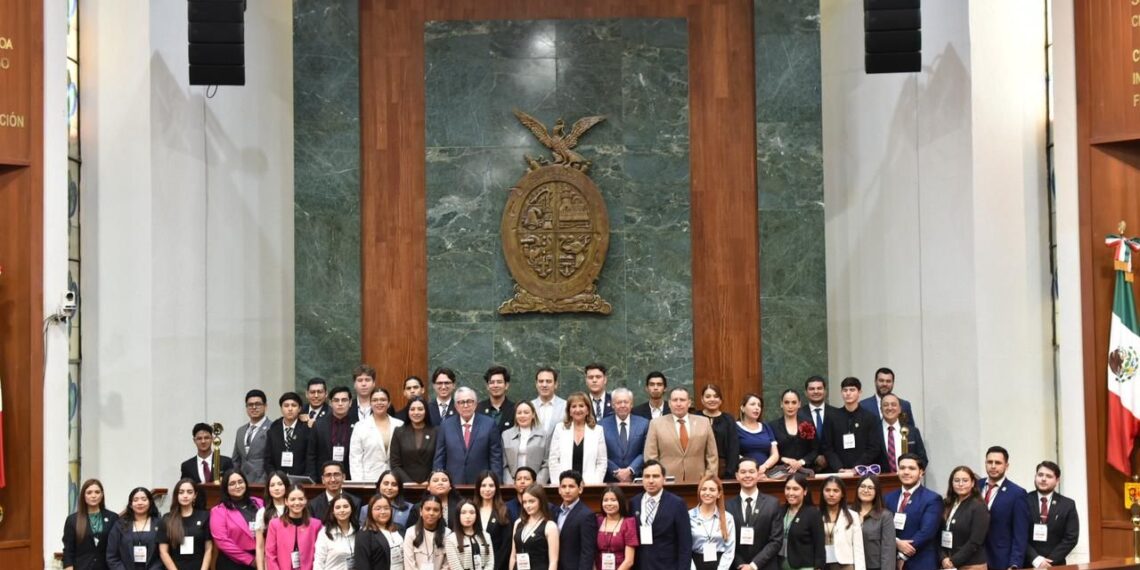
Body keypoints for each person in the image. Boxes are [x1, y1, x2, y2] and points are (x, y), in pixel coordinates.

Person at [645, 387, 719, 481]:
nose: (678, 404)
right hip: (667, 481)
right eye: (675, 400)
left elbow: (712, 455)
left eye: (682, 400)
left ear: (689, 403)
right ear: (670, 403)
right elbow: (650, 456)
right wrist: (656, 478)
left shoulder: (704, 422)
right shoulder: (656, 424)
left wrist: (709, 479)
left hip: (698, 481)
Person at [433, 387, 504, 484]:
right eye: (461, 402)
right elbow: (440, 457)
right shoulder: (446, 425)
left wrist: (497, 483)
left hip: (482, 485)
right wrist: (437, 481)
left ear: (476, 404)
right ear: (456, 406)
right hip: (453, 484)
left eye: (469, 401)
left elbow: (495, 458)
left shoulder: (489, 424)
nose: (465, 405)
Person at [630, 460, 691, 570]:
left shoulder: (677, 504)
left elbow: (685, 544)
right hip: (641, 565)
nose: (651, 481)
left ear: (664, 479)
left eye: (656, 476)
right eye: (647, 476)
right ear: (642, 479)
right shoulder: (634, 502)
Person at [885, 454, 942, 570]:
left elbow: (926, 532)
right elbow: (882, 528)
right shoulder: (888, 498)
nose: (906, 472)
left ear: (921, 472)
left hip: (921, 562)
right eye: (902, 468)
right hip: (891, 561)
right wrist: (896, 542)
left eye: (911, 468)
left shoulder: (932, 499)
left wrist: (902, 555)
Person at [979, 446, 1030, 570]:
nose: (993, 466)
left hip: (1001, 560)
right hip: (974, 559)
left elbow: (1020, 534)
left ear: (1006, 466)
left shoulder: (1017, 493)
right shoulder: (974, 486)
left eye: (998, 463)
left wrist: (1014, 563)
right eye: (990, 462)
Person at [727, 459, 782, 570]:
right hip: (737, 566)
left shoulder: (772, 504)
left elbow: (776, 541)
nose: (747, 475)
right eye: (743, 472)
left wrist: (753, 565)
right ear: (737, 476)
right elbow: (727, 541)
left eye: (751, 471)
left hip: (765, 566)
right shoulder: (727, 506)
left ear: (758, 474)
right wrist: (741, 565)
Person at [1024, 461, 1079, 568]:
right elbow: (1018, 535)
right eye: (1040, 475)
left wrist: (1049, 561)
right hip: (1028, 562)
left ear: (1057, 480)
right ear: (1035, 477)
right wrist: (1036, 559)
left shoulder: (1067, 504)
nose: (1043, 479)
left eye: (1049, 476)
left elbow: (1071, 538)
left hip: (1055, 564)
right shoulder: (1023, 501)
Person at [821, 378, 882, 473]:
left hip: (862, 472)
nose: (848, 393)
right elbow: (827, 447)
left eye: (852, 390)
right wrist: (838, 468)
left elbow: (873, 448)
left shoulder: (870, 418)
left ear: (859, 392)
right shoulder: (832, 417)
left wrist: (856, 468)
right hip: (838, 471)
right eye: (845, 390)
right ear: (841, 392)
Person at [548, 392, 608, 484]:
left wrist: (595, 483)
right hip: (565, 486)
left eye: (581, 406)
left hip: (590, 485)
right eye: (574, 406)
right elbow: (553, 460)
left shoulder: (597, 431)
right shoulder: (560, 429)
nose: (577, 409)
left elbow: (602, 462)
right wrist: (559, 484)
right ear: (569, 411)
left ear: (588, 410)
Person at [210, 470, 265, 570]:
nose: (237, 486)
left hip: (260, 558)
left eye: (240, 482)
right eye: (232, 484)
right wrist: (251, 560)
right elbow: (223, 542)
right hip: (232, 563)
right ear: (226, 488)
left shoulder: (259, 503)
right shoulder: (218, 511)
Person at [351, 387, 406, 482]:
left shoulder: (399, 424)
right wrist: (358, 483)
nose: (379, 403)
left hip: (395, 480)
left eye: (383, 400)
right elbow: (355, 459)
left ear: (389, 403)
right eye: (375, 400)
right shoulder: (360, 426)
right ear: (370, 403)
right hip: (369, 480)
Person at [62, 478, 118, 570]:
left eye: (97, 492)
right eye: (89, 492)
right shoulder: (73, 520)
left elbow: (117, 547)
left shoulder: (113, 517)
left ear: (102, 495)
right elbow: (68, 549)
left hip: (106, 567)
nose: (93, 496)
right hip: (81, 566)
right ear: (83, 496)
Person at [157, 479, 213, 570]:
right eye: (181, 492)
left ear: (195, 495)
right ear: (176, 495)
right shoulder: (167, 519)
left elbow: (209, 549)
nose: (185, 496)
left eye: (189, 492)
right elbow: (163, 552)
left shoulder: (205, 516)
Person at [939, 466, 989, 570]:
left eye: (965, 480)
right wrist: (943, 558)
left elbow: (975, 541)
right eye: (956, 480)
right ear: (952, 483)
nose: (960, 484)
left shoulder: (978, 506)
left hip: (971, 565)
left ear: (972, 483)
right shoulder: (947, 503)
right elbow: (938, 534)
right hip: (947, 563)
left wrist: (953, 561)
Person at [265, 485, 323, 570]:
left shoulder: (316, 525)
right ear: (286, 501)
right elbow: (270, 555)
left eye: (300, 499)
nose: (297, 503)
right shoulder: (274, 524)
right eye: (292, 499)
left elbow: (320, 554)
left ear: (306, 500)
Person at [600, 388, 650, 483]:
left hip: (636, 478)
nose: (622, 405)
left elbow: (646, 451)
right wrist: (616, 472)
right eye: (619, 402)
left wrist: (631, 470)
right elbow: (600, 454)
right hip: (610, 480)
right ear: (613, 405)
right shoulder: (601, 425)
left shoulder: (644, 424)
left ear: (631, 404)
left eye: (626, 402)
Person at [106, 487, 162, 570]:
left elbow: (164, 554)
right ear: (131, 505)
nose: (140, 503)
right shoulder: (120, 525)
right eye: (135, 500)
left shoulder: (160, 524)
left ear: (150, 502)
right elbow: (112, 556)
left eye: (144, 499)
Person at [181, 422, 233, 509]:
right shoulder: (187, 466)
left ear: (212, 439)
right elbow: (184, 489)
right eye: (199, 438)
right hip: (197, 510)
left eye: (206, 438)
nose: (203, 441)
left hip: (222, 508)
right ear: (194, 440)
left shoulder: (226, 462)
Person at [266, 391, 317, 479]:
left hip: (301, 480)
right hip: (278, 480)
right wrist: (274, 476)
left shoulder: (307, 428)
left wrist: (306, 479)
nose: (290, 409)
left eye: (294, 405)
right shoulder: (273, 429)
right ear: (281, 408)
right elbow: (268, 459)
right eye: (286, 406)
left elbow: (310, 458)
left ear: (300, 408)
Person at [689, 476, 736, 570]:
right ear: (699, 492)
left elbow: (730, 550)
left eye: (712, 490)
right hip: (695, 564)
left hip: (720, 565)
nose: (707, 493)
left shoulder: (727, 518)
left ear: (719, 494)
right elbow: (685, 549)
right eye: (704, 489)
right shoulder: (688, 516)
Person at [779, 473, 825, 570]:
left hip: (805, 566)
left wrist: (819, 567)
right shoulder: (780, 510)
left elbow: (819, 544)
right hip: (781, 564)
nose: (790, 493)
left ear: (805, 491)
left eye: (795, 489)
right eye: (787, 488)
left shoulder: (813, 513)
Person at [555, 470, 599, 570]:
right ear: (559, 490)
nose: (567, 490)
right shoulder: (555, 512)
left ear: (580, 489)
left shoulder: (587, 515)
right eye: (563, 486)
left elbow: (587, 552)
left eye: (571, 486)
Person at [769, 389, 820, 475]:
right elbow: (769, 451)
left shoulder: (808, 423)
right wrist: (784, 459)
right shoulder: (772, 426)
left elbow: (815, 449)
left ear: (799, 404)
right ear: (781, 404)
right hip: (780, 473)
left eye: (794, 402)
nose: (790, 406)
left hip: (805, 472)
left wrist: (801, 462)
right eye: (786, 402)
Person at [509, 484, 559, 570]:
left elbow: (553, 561)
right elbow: (513, 555)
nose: (527, 505)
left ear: (541, 501)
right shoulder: (518, 523)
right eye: (524, 502)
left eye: (531, 501)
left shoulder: (550, 526)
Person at [311, 386, 357, 480]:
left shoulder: (358, 425)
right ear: (330, 403)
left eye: (344, 400)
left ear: (350, 403)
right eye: (336, 400)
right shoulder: (318, 425)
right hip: (324, 479)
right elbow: (311, 455)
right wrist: (313, 479)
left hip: (350, 478)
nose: (340, 404)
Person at [820, 476, 864, 570]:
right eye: (827, 490)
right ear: (822, 492)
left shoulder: (853, 516)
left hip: (845, 565)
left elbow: (858, 548)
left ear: (842, 494)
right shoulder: (815, 515)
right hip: (822, 565)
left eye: (836, 491)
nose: (831, 494)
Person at [391, 397, 438, 485]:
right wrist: (409, 482)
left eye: (420, 409)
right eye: (412, 409)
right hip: (406, 486)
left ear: (426, 411)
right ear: (408, 412)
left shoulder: (436, 432)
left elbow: (439, 461)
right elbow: (395, 464)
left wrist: (430, 480)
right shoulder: (399, 432)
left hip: (430, 485)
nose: (416, 412)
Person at [698, 384, 741, 480]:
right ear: (702, 399)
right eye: (708, 396)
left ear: (720, 400)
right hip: (698, 468)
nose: (712, 399)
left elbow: (733, 448)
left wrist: (729, 472)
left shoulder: (728, 419)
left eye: (716, 396)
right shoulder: (695, 418)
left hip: (723, 469)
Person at [502, 400, 551, 484]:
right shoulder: (506, 435)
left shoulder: (544, 435)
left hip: (536, 484)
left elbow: (546, 463)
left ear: (533, 415)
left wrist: (536, 483)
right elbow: (504, 464)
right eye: (519, 413)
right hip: (513, 484)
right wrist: (511, 483)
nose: (522, 415)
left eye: (526, 412)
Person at [876, 394, 927, 473]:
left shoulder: (912, 432)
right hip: (881, 481)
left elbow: (922, 459)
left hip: (908, 480)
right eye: (886, 405)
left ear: (900, 409)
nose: (890, 408)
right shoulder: (872, 431)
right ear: (881, 409)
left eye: (893, 405)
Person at [854, 475, 895, 570]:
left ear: (877, 492)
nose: (866, 490)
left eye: (870, 488)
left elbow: (888, 551)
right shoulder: (848, 514)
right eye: (862, 486)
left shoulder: (885, 516)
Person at [473, 471, 513, 570]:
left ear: (496, 488)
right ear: (478, 488)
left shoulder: (504, 510)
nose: (487, 489)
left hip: (497, 564)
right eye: (483, 485)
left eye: (491, 485)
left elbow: (506, 544)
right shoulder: (472, 509)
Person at [798, 376, 838, 472]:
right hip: (806, 468)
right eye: (812, 389)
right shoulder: (798, 415)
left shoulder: (836, 413)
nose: (816, 391)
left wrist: (829, 458)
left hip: (833, 467)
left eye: (819, 388)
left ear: (825, 391)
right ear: (806, 393)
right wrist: (814, 457)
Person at [233, 389, 273, 483]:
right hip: (242, 484)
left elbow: (273, 460)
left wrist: (264, 481)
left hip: (264, 483)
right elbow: (236, 459)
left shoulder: (273, 428)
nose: (254, 407)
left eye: (258, 404)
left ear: (265, 406)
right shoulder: (241, 431)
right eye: (250, 405)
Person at [595, 484, 638, 570]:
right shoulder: (597, 521)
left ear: (620, 502)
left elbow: (629, 561)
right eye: (605, 500)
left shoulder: (628, 523)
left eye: (613, 500)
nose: (609, 503)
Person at [256, 471, 292, 569]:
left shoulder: (294, 509)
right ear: (268, 489)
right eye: (272, 485)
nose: (276, 488)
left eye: (280, 484)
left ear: (287, 486)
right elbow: (260, 547)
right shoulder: (262, 513)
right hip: (271, 563)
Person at [446, 500, 496, 570]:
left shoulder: (486, 536)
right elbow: (455, 566)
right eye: (463, 513)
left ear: (477, 515)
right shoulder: (451, 539)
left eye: (472, 512)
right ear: (458, 515)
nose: (468, 516)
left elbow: (490, 562)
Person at [355, 495, 402, 570]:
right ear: (370, 511)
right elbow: (362, 565)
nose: (383, 512)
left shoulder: (400, 528)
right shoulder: (364, 534)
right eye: (378, 509)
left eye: (386, 508)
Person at [404, 496, 452, 570]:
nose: (431, 513)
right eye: (427, 509)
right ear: (421, 511)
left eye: (436, 510)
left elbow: (447, 564)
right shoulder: (410, 533)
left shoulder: (447, 534)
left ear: (440, 514)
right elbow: (409, 565)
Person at [737, 394, 780, 475]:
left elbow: (775, 454)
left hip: (766, 473)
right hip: (745, 473)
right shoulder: (735, 427)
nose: (757, 408)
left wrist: (764, 466)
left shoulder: (766, 427)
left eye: (759, 405)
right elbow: (733, 453)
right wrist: (751, 468)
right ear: (742, 408)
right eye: (752, 404)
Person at [314, 494, 358, 570]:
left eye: (346, 506)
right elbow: (319, 562)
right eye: (338, 507)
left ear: (352, 509)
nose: (342, 510)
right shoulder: (325, 533)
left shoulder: (359, 531)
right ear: (333, 511)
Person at [480, 365, 517, 431]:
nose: (495, 385)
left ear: (506, 385)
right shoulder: (478, 409)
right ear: (487, 386)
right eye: (492, 382)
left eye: (499, 382)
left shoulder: (515, 409)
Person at [532, 367, 568, 435]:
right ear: (536, 384)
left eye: (548, 381)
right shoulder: (529, 406)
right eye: (541, 381)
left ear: (556, 384)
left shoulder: (566, 406)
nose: (544, 385)